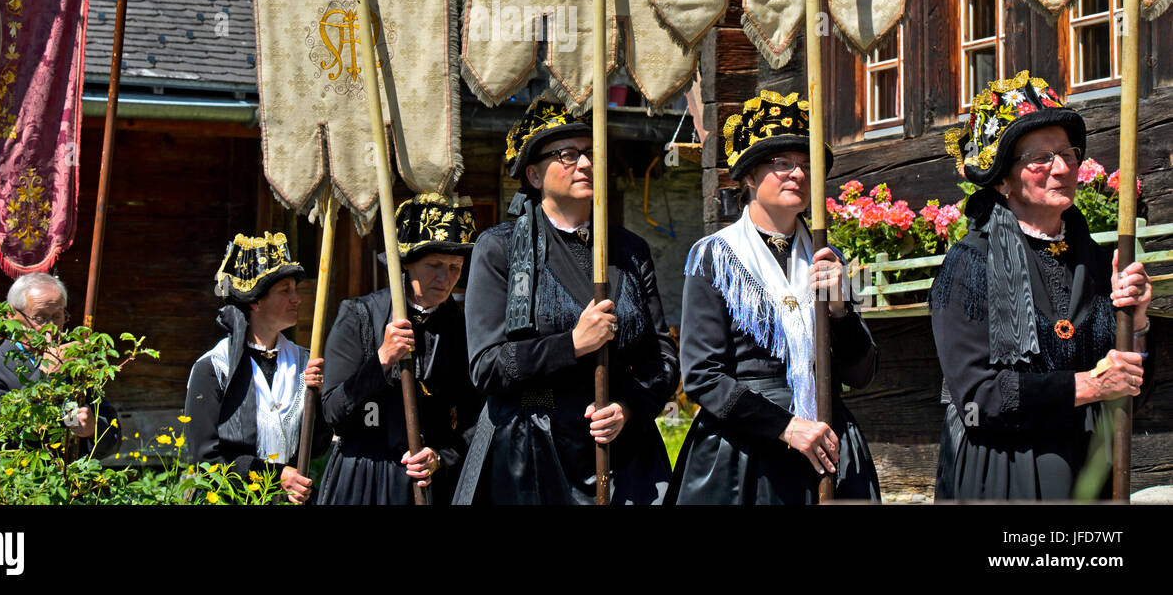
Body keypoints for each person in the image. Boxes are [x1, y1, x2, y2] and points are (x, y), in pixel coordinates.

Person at [932, 70, 1152, 500]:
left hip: (1088, 467)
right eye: (1040, 158)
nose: (1062, 168)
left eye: (1067, 154)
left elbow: (1132, 385)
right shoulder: (970, 265)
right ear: (1002, 179)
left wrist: (1137, 323)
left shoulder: (1093, 259)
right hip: (1004, 471)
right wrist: (1088, 385)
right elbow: (980, 396)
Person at [453, 96, 680, 505]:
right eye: (568, 155)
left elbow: (661, 354)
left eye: (591, 153)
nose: (586, 163)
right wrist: (571, 344)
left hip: (620, 449)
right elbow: (487, 366)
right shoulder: (499, 249)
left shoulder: (629, 250)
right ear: (535, 175)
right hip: (530, 448)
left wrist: (628, 407)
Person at [667, 91, 880, 504]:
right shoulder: (715, 257)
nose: (796, 174)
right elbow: (702, 376)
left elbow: (862, 373)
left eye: (804, 165)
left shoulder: (827, 256)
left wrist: (840, 311)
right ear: (749, 176)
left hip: (828, 440)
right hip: (746, 450)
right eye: (781, 164)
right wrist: (786, 427)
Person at [318, 193, 480, 504]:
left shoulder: (461, 329)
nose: (446, 278)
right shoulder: (359, 316)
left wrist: (442, 456)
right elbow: (333, 410)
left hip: (430, 480)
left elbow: (476, 415)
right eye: (434, 265)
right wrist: (382, 359)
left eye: (455, 267)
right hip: (364, 477)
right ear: (406, 264)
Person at [185, 231, 328, 503]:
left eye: (295, 290)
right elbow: (205, 458)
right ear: (255, 301)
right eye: (285, 291)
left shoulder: (304, 364)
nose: (296, 299)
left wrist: (317, 398)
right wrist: (275, 477)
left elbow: (317, 447)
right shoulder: (214, 369)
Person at [0, 273, 120, 458]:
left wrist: (93, 429)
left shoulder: (73, 364)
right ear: (10, 315)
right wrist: (45, 375)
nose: (51, 328)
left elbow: (114, 438)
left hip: (74, 482)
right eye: (40, 319)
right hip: (17, 482)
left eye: (57, 317)